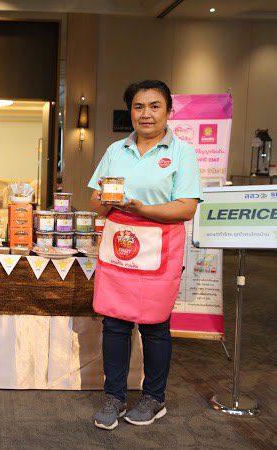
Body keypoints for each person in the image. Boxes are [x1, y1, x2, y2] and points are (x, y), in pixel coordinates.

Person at [88, 80, 202, 430]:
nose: (146, 113)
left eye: (155, 106)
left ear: (169, 111)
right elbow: (95, 200)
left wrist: (143, 209)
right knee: (115, 323)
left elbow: (186, 207)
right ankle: (114, 396)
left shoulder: (182, 152)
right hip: (120, 245)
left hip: (160, 247)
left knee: (154, 325)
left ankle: (154, 397)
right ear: (130, 112)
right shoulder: (116, 150)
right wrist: (105, 202)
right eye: (138, 106)